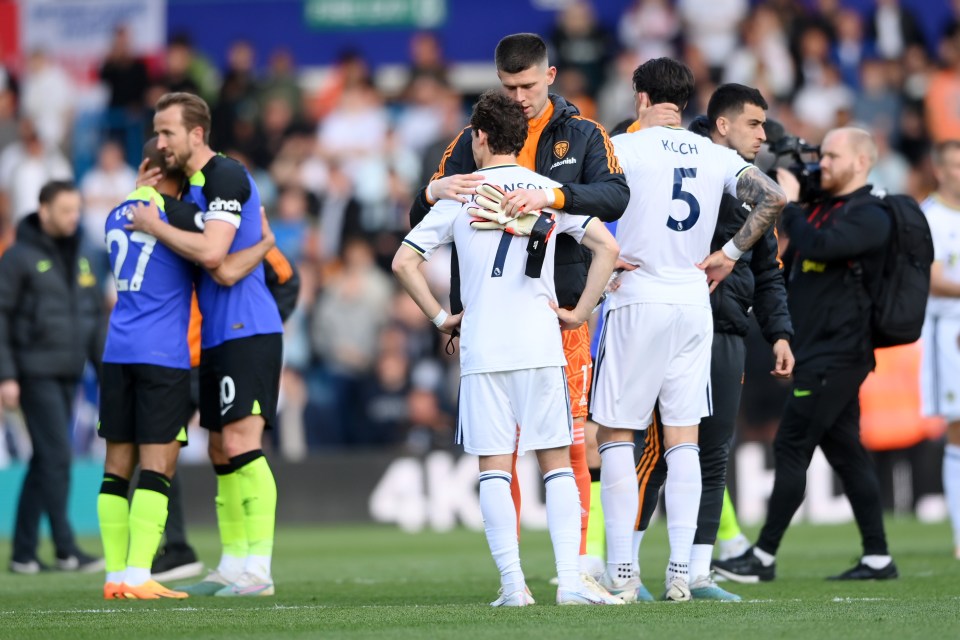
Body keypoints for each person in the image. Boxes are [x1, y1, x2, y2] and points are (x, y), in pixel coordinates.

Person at [409, 32, 666, 576]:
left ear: (550, 76)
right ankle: (520, 571)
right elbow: (425, 213)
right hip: (486, 315)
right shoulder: (471, 141)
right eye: (508, 86)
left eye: (527, 84)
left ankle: (575, 566)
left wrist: (553, 195)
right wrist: (432, 192)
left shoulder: (583, 132)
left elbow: (616, 195)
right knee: (505, 452)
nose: (519, 96)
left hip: (559, 308)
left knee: (572, 443)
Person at [394, 90, 621, 606]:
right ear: (521, 139)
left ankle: (513, 586)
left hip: (483, 348)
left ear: (478, 137)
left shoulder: (460, 193)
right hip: (541, 343)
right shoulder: (546, 189)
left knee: (495, 468)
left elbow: (403, 262)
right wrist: (580, 311)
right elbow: (607, 247)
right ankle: (569, 582)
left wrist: (440, 318)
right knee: (558, 464)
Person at [593, 58, 787, 602]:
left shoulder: (621, 148)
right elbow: (774, 197)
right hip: (691, 302)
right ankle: (682, 573)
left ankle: (623, 573)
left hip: (638, 297)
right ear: (685, 102)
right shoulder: (715, 153)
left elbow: (580, 208)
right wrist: (727, 253)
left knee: (616, 436)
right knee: (684, 442)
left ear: (639, 96)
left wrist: (604, 258)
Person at [713, 127, 899, 582]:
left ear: (860, 162)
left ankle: (764, 558)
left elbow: (819, 245)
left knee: (792, 444)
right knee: (847, 451)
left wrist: (789, 202)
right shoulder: (828, 205)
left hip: (839, 353)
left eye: (833, 157)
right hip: (819, 350)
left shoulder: (873, 213)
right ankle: (878, 557)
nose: (823, 165)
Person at [98, 138, 277, 599]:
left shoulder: (117, 213)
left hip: (130, 348)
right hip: (170, 352)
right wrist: (265, 241)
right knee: (190, 457)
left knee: (122, 469)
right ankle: (200, 567)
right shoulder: (175, 215)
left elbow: (218, 262)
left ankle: (251, 568)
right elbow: (215, 253)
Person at [153, 244, 300, 583]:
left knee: (241, 445)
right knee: (194, 449)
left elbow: (287, 277)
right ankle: (213, 559)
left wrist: (260, 322)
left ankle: (258, 568)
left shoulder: (233, 224)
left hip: (235, 344)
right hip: (183, 354)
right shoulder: (177, 225)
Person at [0, 180, 105, 574]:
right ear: (43, 210)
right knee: (58, 455)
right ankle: (65, 547)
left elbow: (92, 317)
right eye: (65, 210)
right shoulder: (18, 258)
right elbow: (1, 316)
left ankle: (23, 553)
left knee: (45, 458)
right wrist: (6, 374)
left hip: (68, 371)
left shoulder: (83, 255)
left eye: (76, 210)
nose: (73, 217)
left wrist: (103, 367)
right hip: (33, 371)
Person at [919, 139, 960, 561]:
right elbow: (932, 279)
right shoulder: (930, 216)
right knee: (958, 427)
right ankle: (959, 532)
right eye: (954, 165)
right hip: (949, 330)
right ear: (939, 169)